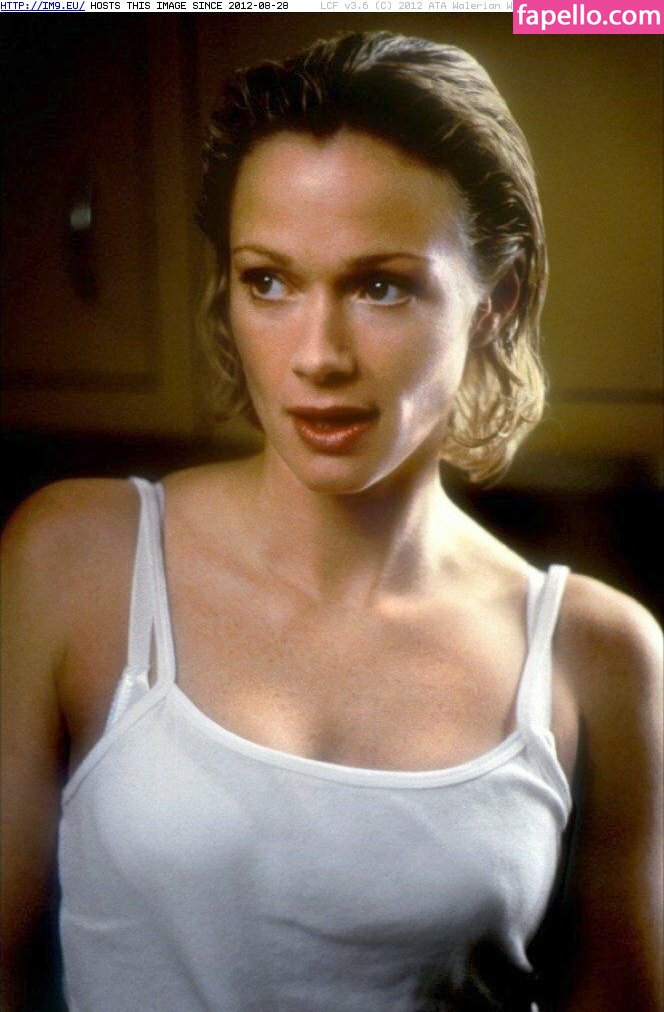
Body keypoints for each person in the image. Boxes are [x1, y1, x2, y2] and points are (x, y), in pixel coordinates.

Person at [1, 30, 661, 1012]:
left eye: (380, 285)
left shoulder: (595, 655)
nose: (317, 355)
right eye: (268, 280)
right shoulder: (76, 559)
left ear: (495, 300)